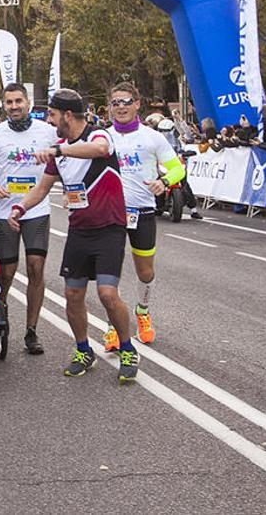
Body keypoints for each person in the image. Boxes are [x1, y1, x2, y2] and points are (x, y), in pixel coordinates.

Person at [8, 89, 139, 383]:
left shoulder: (98, 135)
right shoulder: (59, 150)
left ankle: (127, 349)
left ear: (67, 115)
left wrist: (60, 151)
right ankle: (83, 350)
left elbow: (100, 150)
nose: (50, 121)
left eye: (53, 115)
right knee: (72, 294)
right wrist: (20, 208)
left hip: (109, 228)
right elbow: (42, 188)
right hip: (80, 230)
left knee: (107, 294)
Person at [0, 83, 57, 355]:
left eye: (18, 101)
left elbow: (64, 158)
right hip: (4, 210)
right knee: (7, 271)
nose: (14, 106)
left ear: (28, 102)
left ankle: (31, 331)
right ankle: (1, 311)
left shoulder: (47, 131)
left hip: (36, 209)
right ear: (4, 105)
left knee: (36, 267)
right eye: (9, 102)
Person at [103, 82, 185, 349]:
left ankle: (143, 311)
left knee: (145, 270)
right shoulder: (102, 137)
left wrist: (164, 181)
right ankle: (113, 325)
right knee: (109, 273)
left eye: (126, 102)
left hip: (143, 212)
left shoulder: (153, 137)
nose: (121, 107)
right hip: (111, 213)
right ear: (110, 107)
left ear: (137, 104)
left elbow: (178, 169)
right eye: (115, 103)